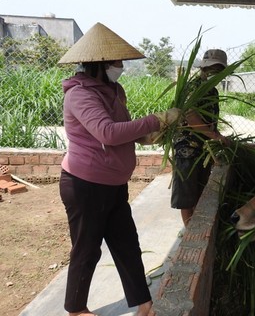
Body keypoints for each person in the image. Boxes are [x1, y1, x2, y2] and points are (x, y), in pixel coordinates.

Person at [57, 22, 179, 316]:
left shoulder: (114, 90)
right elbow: (107, 133)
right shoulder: (80, 94)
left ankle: (144, 303)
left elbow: (122, 129)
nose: (120, 66)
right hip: (85, 185)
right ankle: (75, 309)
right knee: (87, 250)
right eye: (116, 61)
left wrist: (148, 135)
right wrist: (155, 120)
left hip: (114, 185)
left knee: (127, 244)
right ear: (99, 63)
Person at [171, 49, 228, 226]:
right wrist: (215, 136)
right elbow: (191, 116)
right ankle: (188, 230)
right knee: (187, 195)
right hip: (187, 149)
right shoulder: (193, 87)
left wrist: (214, 141)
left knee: (199, 190)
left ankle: (196, 224)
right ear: (203, 68)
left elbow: (211, 121)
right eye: (211, 69)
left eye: (218, 70)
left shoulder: (213, 92)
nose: (214, 73)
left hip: (204, 150)